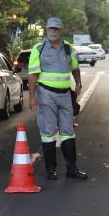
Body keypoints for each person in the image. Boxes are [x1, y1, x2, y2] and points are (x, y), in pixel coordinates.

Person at [28, 17, 87, 181]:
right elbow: (33, 75)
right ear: (46, 30)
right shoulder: (38, 49)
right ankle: (51, 170)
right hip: (46, 95)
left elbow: (75, 67)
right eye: (50, 28)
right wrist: (32, 97)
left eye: (56, 28)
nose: (53, 31)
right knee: (48, 133)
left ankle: (72, 169)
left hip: (65, 96)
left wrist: (78, 83)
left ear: (61, 30)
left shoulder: (67, 48)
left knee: (68, 132)